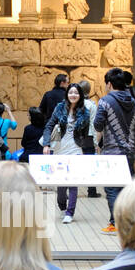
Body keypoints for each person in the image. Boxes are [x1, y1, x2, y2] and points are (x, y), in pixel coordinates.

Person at [94, 66, 135, 233]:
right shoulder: (133, 101)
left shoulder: (105, 101)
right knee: (126, 187)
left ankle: (115, 223)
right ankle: (126, 222)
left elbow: (98, 124)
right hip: (130, 151)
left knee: (111, 188)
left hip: (112, 151)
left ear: (110, 84)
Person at [42, 82, 90, 222]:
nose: (73, 95)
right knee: (61, 185)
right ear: (67, 94)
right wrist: (46, 144)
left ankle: (70, 212)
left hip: (75, 149)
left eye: (76, 93)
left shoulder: (84, 112)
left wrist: (86, 151)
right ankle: (63, 206)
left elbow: (85, 134)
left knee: (72, 182)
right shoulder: (60, 108)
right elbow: (49, 126)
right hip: (59, 149)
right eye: (71, 92)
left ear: (80, 95)